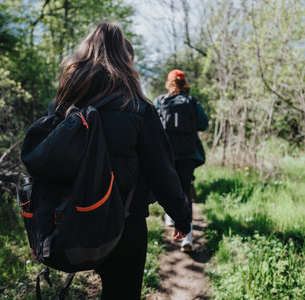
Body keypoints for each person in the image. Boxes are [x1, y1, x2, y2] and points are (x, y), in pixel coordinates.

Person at [48, 23, 191, 299]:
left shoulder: (63, 103)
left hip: (68, 221)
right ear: (126, 61)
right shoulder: (138, 108)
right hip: (123, 226)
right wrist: (182, 218)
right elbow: (163, 173)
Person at [154, 69, 209, 252]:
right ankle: (188, 237)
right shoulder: (192, 102)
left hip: (166, 153)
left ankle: (170, 216)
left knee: (168, 185)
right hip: (188, 154)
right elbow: (203, 124)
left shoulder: (160, 101)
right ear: (184, 83)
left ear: (168, 83)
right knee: (185, 191)